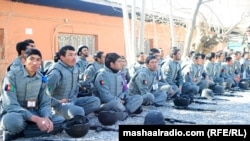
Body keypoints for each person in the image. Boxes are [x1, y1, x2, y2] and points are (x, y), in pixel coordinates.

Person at [1, 48, 65, 141]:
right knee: (12, 122)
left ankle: (21, 132)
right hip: (14, 113)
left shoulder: (42, 79)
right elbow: (10, 104)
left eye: (38, 60)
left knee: (60, 121)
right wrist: (36, 119)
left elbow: (45, 102)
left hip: (33, 112)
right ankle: (27, 129)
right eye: (31, 59)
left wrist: (46, 118)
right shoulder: (12, 76)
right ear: (24, 61)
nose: (35, 63)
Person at [46, 45, 100, 120]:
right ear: (62, 57)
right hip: (58, 105)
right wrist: (58, 101)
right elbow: (44, 95)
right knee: (79, 111)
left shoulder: (75, 68)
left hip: (72, 100)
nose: (74, 58)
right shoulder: (55, 73)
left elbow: (77, 84)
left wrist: (74, 96)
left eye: (75, 55)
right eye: (70, 55)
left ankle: (74, 116)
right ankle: (67, 116)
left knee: (96, 101)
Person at [93, 53, 143, 119]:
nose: (122, 64)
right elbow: (105, 97)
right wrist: (119, 100)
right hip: (106, 104)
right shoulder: (102, 75)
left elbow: (125, 90)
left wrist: (122, 97)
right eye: (119, 61)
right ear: (111, 64)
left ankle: (124, 112)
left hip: (120, 101)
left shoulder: (119, 74)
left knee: (138, 98)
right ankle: (126, 111)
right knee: (116, 104)